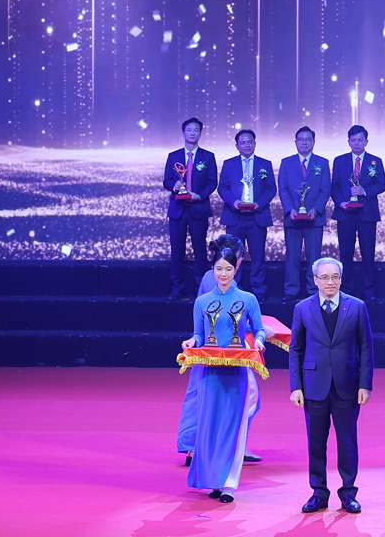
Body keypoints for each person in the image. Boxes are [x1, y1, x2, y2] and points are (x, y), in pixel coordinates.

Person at [180, 242, 265, 502]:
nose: (223, 274)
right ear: (212, 270)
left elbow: (259, 329)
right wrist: (192, 342)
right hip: (209, 374)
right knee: (209, 427)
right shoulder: (202, 301)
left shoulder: (248, 299)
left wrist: (258, 341)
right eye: (219, 269)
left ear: (236, 270)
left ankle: (228, 484)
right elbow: (199, 334)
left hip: (236, 373)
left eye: (228, 269)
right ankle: (212, 481)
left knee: (231, 427)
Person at [290, 257, 374, 514]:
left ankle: (348, 493)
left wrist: (365, 384)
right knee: (316, 442)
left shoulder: (357, 306)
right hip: (313, 385)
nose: (330, 282)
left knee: (347, 441)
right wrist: (296, 386)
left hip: (347, 385)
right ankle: (319, 492)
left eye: (335, 277)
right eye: (324, 277)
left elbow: (365, 347)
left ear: (341, 279)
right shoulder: (302, 308)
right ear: (315, 280)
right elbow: (296, 349)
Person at [163, 117, 218, 300]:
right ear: (183, 133)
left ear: (200, 134)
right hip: (177, 210)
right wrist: (173, 186)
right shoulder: (173, 156)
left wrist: (199, 195)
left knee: (200, 251)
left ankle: (200, 290)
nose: (192, 133)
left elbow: (212, 182)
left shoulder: (208, 157)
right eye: (189, 130)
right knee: (176, 251)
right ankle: (176, 289)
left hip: (198, 209)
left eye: (196, 130)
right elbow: (166, 180)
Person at [218, 129, 277, 300]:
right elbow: (222, 187)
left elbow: (271, 188)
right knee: (232, 256)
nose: (247, 145)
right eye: (243, 142)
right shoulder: (229, 164)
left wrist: (260, 203)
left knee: (258, 256)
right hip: (234, 216)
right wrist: (233, 202)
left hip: (257, 216)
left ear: (255, 144)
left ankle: (258, 290)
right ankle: (232, 290)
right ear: (237, 146)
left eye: (250, 142)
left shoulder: (265, 164)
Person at [331, 125, 385, 301]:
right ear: (348, 142)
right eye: (353, 140)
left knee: (368, 253)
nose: (356, 143)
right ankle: (346, 288)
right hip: (345, 214)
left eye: (360, 140)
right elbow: (334, 186)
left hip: (367, 214)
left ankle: (368, 289)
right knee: (345, 253)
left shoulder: (375, 161)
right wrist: (340, 202)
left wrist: (365, 191)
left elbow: (382, 184)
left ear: (366, 141)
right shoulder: (339, 161)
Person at [279, 126, 331, 301]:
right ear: (295, 142)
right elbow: (283, 189)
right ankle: (291, 290)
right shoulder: (286, 163)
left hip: (315, 219)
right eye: (301, 139)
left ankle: (313, 290)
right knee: (292, 257)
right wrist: (290, 209)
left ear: (314, 142)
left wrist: (316, 209)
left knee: (314, 258)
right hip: (292, 217)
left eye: (308, 139)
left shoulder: (322, 163)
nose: (304, 142)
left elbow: (325, 190)